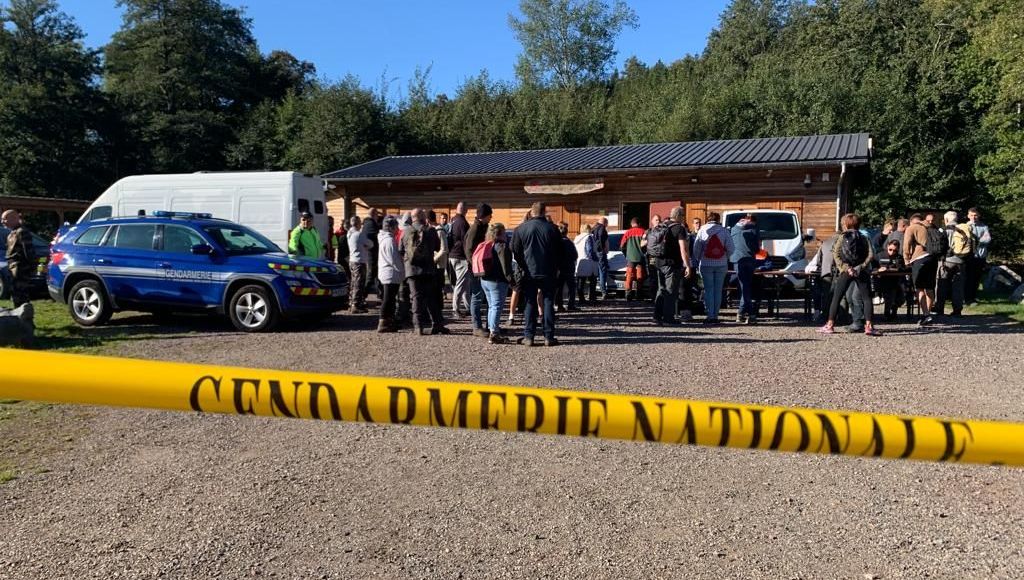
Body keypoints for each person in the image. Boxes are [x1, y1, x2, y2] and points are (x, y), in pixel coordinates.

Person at [817, 213, 882, 336]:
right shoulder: (864, 237)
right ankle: (869, 326)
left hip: (846, 271)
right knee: (867, 298)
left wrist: (845, 268)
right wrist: (860, 267)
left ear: (845, 224)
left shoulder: (842, 237)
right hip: (861, 271)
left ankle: (830, 325)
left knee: (836, 297)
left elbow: (835, 254)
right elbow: (870, 254)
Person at [511, 202, 562, 346]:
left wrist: (523, 264)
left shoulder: (520, 229)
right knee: (548, 302)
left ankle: (529, 336)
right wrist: (556, 267)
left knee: (530, 302)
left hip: (529, 271)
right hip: (548, 271)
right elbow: (560, 251)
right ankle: (548, 336)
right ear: (544, 212)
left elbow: (515, 250)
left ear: (532, 212)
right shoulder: (553, 229)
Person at [403, 209, 449, 335]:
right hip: (428, 269)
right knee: (432, 298)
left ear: (412, 218)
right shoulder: (431, 231)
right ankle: (437, 324)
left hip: (411, 270)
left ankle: (418, 327)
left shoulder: (406, 231)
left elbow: (400, 249)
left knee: (416, 298)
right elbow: (437, 247)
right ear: (423, 217)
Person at [650, 207, 693, 325]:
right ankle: (668, 318)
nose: (684, 218)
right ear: (679, 216)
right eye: (683, 215)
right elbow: (683, 248)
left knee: (661, 290)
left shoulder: (662, 226)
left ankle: (657, 317)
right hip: (672, 264)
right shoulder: (679, 228)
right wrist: (687, 265)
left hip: (659, 262)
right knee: (671, 291)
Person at [692, 212, 733, 324]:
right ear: (718, 219)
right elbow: (731, 248)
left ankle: (710, 315)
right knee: (718, 290)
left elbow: (696, 248)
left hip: (706, 263)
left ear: (708, 219)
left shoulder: (702, 230)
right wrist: (725, 257)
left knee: (709, 290)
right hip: (721, 264)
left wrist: (700, 258)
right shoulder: (724, 231)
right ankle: (715, 315)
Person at [935, 210, 975, 318]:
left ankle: (939, 308)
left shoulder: (943, 230)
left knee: (941, 285)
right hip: (961, 261)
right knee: (958, 287)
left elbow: (940, 247)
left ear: (946, 220)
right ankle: (957, 310)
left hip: (946, 261)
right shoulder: (964, 229)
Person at [480, 222, 514, 344]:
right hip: (497, 281)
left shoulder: (488, 244)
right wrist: (511, 279)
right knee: (496, 307)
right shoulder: (501, 246)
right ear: (501, 233)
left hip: (484, 279)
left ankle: (491, 329)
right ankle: (494, 333)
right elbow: (506, 267)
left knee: (491, 306)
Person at [903, 213, 938, 326]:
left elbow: (906, 245)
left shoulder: (912, 228)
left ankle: (926, 315)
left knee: (919, 287)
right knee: (930, 287)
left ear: (912, 221)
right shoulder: (931, 227)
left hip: (919, 258)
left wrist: (906, 259)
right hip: (933, 258)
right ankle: (927, 313)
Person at [730, 213, 760, 324]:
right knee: (746, 287)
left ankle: (742, 313)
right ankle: (749, 313)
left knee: (743, 287)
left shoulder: (733, 229)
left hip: (737, 260)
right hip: (749, 259)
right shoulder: (753, 230)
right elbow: (757, 249)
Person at [2, 209, 35, 307]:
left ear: (14, 218)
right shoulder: (12, 233)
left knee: (21, 294)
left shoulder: (22, 232)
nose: (2, 222)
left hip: (21, 268)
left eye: (4, 219)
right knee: (15, 293)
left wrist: (32, 267)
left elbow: (28, 252)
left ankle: (25, 317)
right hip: (13, 267)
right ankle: (18, 316)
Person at [376, 216, 403, 333]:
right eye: (396, 226)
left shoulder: (386, 239)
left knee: (390, 299)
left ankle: (389, 321)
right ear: (391, 228)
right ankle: (383, 322)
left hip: (387, 272)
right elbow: (394, 259)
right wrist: (402, 270)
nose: (398, 228)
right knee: (388, 299)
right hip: (390, 273)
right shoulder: (389, 241)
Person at [448, 202, 470, 317]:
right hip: (461, 256)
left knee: (465, 283)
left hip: (452, 255)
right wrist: (468, 257)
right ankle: (455, 308)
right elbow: (466, 241)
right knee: (461, 283)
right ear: (465, 210)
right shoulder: (463, 223)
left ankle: (469, 307)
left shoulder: (453, 221)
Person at [874, 240, 906, 321]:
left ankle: (893, 310)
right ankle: (888, 313)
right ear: (887, 247)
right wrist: (878, 269)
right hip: (881, 281)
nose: (892, 252)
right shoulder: (880, 256)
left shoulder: (899, 257)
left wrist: (893, 268)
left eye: (895, 250)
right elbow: (872, 267)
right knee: (890, 293)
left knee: (901, 298)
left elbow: (903, 268)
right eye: (890, 250)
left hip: (895, 282)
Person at [965, 207, 991, 305]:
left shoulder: (984, 226)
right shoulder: (965, 226)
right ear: (968, 216)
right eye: (971, 215)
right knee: (969, 278)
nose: (974, 217)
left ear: (979, 215)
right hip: (970, 256)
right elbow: (967, 240)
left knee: (977, 278)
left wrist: (977, 240)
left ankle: (973, 297)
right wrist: (980, 239)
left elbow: (988, 239)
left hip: (981, 256)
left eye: (975, 215)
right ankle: (967, 298)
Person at [346, 216, 372, 313]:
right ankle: (356, 305)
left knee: (354, 282)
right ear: (357, 223)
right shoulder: (358, 234)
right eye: (360, 222)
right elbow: (370, 244)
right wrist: (366, 245)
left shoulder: (349, 233)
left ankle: (352, 302)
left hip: (352, 260)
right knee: (359, 283)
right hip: (359, 261)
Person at [428, 210, 449, 317]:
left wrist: (433, 260)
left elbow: (444, 249)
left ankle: (439, 314)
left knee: (438, 290)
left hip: (439, 265)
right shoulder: (432, 230)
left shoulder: (439, 231)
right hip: (434, 265)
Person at [620, 218, 646, 301]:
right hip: (641, 258)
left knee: (629, 276)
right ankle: (639, 295)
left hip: (630, 258)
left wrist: (626, 255)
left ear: (632, 224)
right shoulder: (643, 231)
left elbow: (622, 246)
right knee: (640, 276)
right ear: (639, 223)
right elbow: (646, 244)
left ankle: (628, 294)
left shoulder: (627, 233)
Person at [555, 222, 579, 312]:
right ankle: (571, 304)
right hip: (569, 267)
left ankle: (559, 305)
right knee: (571, 287)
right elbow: (575, 255)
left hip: (559, 267)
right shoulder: (569, 242)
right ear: (566, 232)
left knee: (559, 287)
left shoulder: (556, 242)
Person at [574, 224, 598, 304]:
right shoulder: (589, 237)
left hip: (580, 261)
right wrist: (596, 259)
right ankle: (592, 298)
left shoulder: (577, 238)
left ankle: (581, 299)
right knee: (592, 281)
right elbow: (589, 250)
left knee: (580, 281)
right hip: (589, 262)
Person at [362, 208, 382, 299]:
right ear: (374, 214)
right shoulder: (371, 224)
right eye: (377, 215)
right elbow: (375, 237)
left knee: (376, 275)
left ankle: (380, 294)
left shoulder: (366, 224)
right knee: (371, 275)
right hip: (372, 254)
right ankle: (363, 295)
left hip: (370, 253)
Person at [645, 215, 663, 305]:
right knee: (653, 277)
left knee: (661, 277)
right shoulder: (648, 231)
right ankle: (653, 297)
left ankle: (661, 298)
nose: (658, 221)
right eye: (656, 220)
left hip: (661, 257)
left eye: (659, 220)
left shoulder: (664, 231)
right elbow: (641, 243)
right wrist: (650, 241)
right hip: (651, 257)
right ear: (652, 221)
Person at [592, 217, 610, 298]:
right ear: (605, 223)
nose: (607, 225)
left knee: (595, 273)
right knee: (602, 272)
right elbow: (605, 242)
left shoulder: (593, 228)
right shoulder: (603, 229)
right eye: (607, 224)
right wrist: (606, 250)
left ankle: (593, 292)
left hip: (594, 253)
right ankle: (604, 292)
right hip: (601, 253)